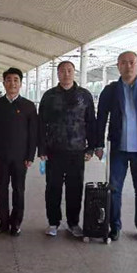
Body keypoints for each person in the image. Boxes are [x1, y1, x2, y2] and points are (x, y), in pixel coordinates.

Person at [96, 51, 137, 244]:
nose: (128, 66)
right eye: (124, 63)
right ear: (118, 66)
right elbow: (101, 119)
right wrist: (98, 144)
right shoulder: (110, 90)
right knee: (114, 189)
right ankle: (114, 227)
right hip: (118, 148)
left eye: (132, 62)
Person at [38, 61, 96, 238]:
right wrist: (42, 148)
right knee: (53, 188)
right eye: (62, 71)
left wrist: (91, 148)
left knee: (75, 188)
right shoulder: (49, 96)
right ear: (58, 74)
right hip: (54, 150)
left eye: (69, 70)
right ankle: (53, 222)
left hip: (77, 150)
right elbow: (41, 124)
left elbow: (91, 122)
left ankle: (73, 223)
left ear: (74, 72)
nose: (66, 74)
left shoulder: (84, 96)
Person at [0, 67, 37, 236]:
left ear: (21, 83)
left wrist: (30, 156)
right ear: (4, 83)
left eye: (16, 80)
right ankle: (3, 222)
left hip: (20, 158)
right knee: (1, 190)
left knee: (18, 190)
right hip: (0, 156)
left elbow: (33, 134)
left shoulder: (28, 106)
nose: (12, 83)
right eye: (8, 80)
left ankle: (16, 223)